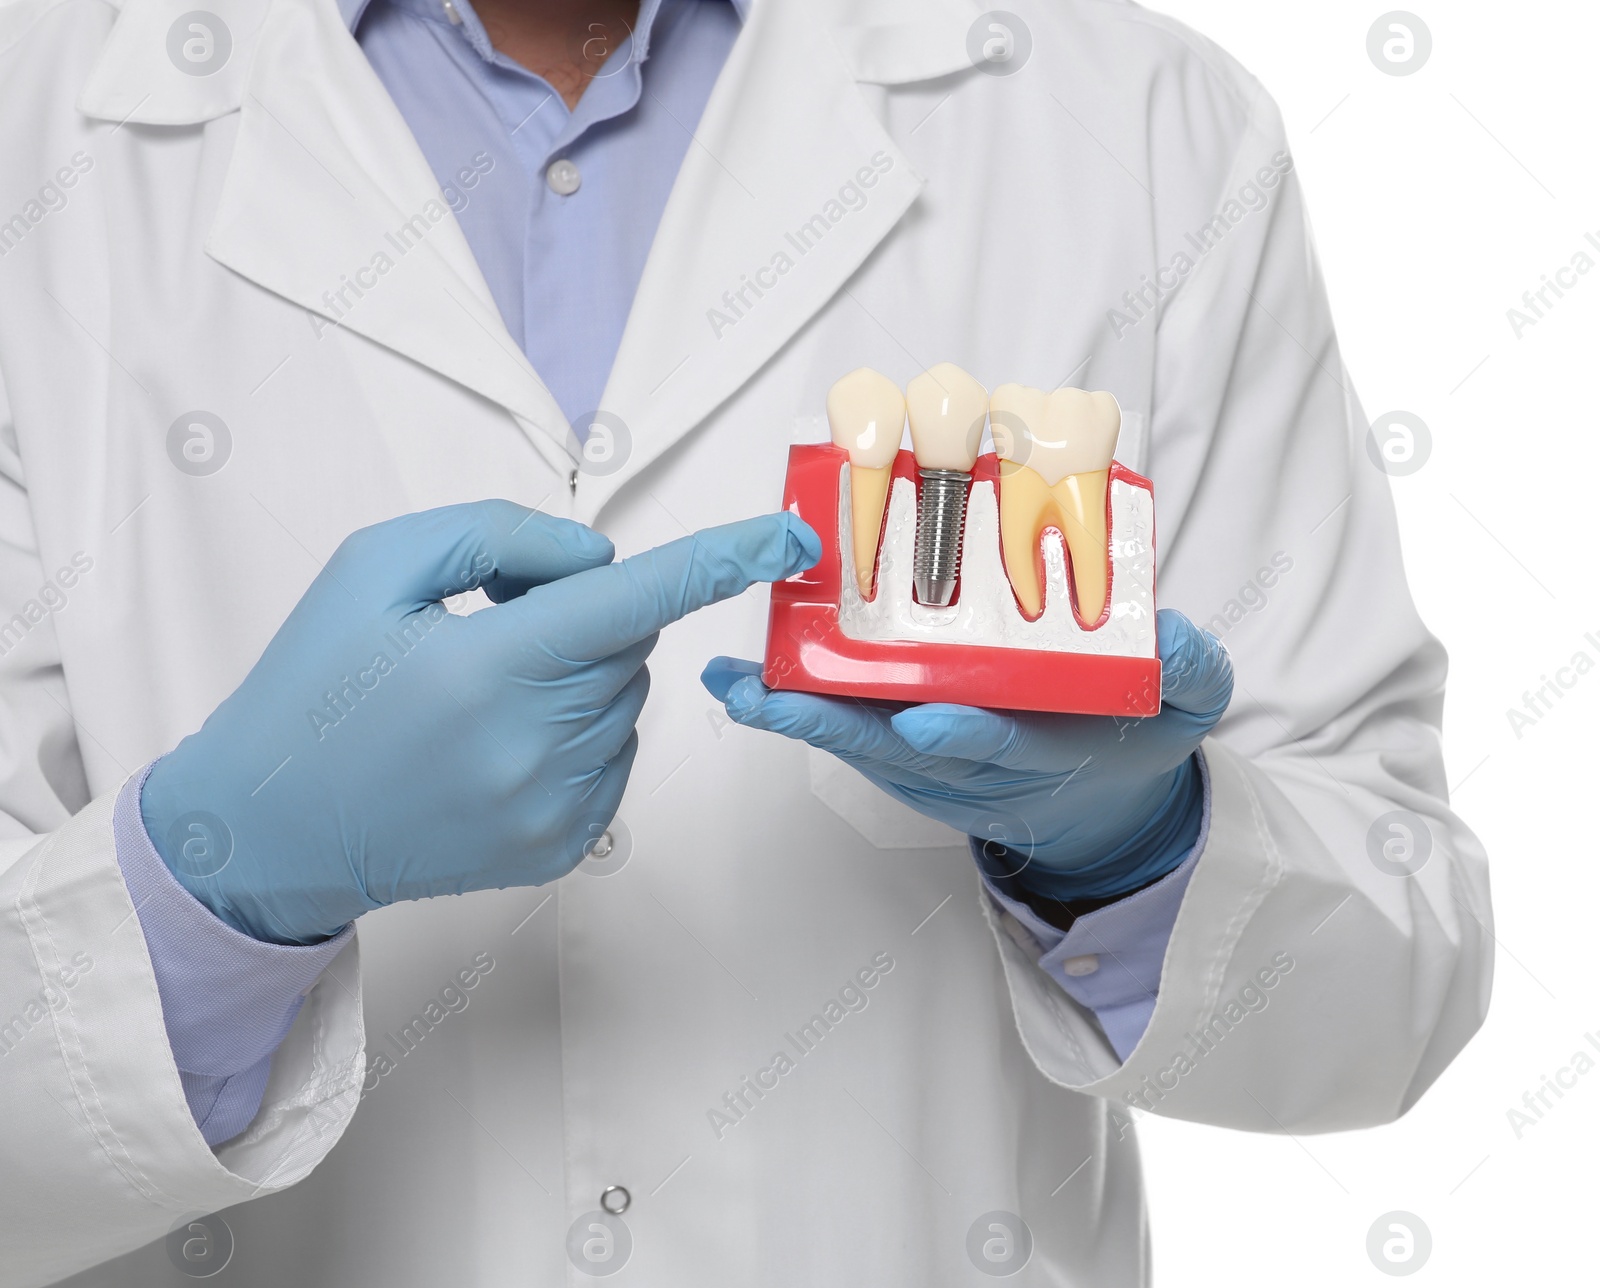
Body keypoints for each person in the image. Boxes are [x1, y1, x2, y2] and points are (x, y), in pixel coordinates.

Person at [0, 0, 1490, 1283]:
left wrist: (1133, 852)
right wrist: (211, 886)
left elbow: (1396, 977)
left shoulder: (1137, 128)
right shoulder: (40, 126)